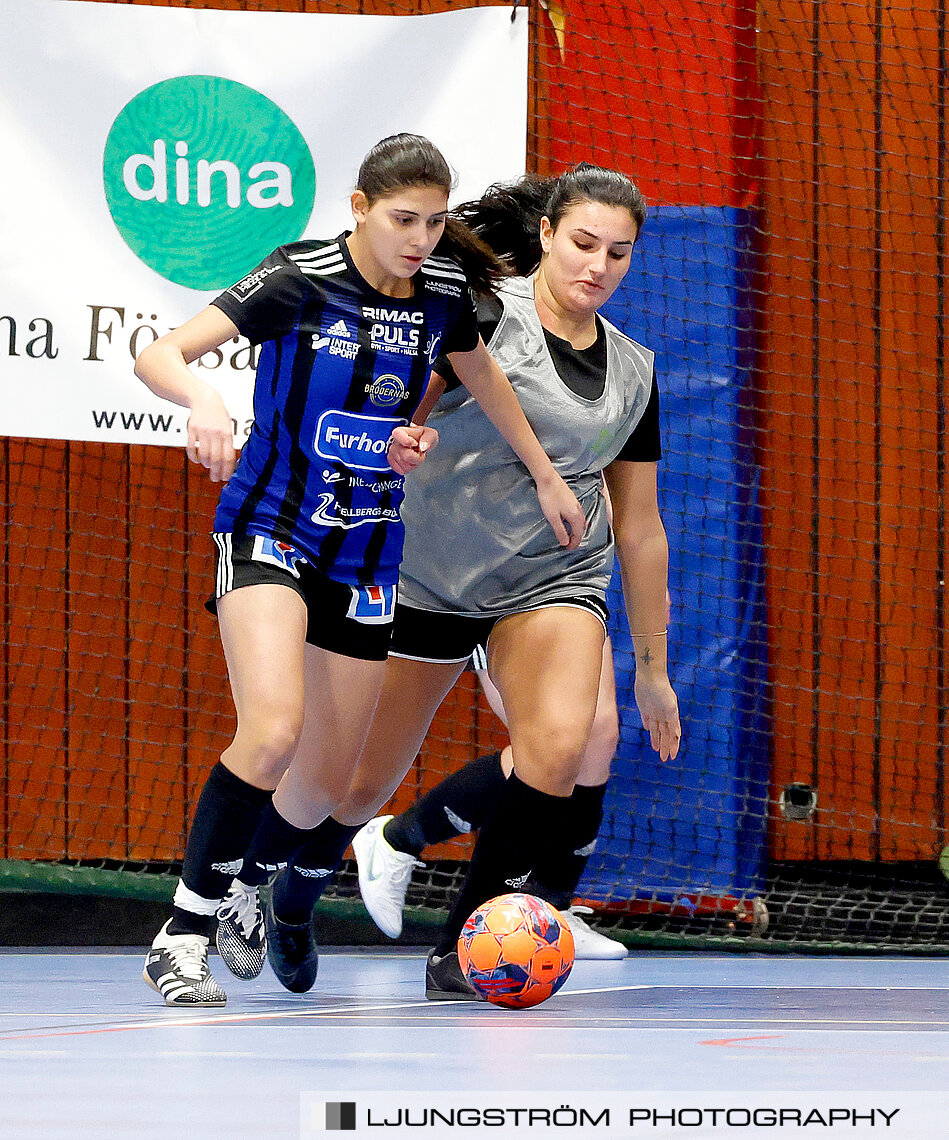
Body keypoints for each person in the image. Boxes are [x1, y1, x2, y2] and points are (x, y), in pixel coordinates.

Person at [134, 134, 585, 1007]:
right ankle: (182, 931)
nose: (420, 238)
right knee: (270, 730)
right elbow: (159, 353)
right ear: (359, 209)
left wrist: (533, 468)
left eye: (434, 221)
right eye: (403, 219)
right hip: (272, 528)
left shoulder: (445, 294)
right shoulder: (297, 278)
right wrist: (205, 399)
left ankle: (252, 888)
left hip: (368, 547)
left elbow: (481, 378)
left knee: (333, 781)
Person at [233, 164, 679, 999]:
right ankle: (290, 895)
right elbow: (394, 414)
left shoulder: (634, 371)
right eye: (583, 243)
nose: (599, 266)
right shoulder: (473, 321)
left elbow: (643, 526)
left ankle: (470, 943)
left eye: (619, 254)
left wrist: (651, 666)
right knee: (358, 780)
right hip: (424, 577)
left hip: (551, 579)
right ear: (545, 235)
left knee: (560, 745)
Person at [350, 648, 631, 960]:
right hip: (499, 602)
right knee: (547, 746)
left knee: (599, 734)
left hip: (582, 600)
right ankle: (400, 838)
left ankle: (551, 906)